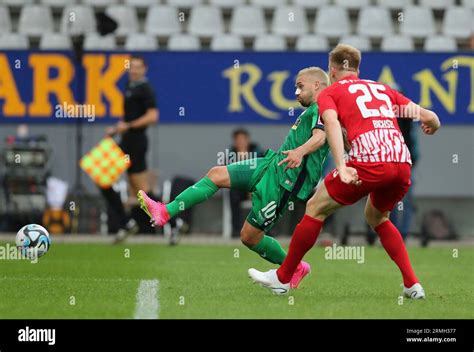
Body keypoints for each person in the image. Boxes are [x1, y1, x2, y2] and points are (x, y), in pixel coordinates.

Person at [249, 44, 440, 298]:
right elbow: (428, 116)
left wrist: (341, 166)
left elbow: (331, 126)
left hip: (369, 161)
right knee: (377, 217)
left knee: (315, 207)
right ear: (357, 68)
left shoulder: (332, 92)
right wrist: (432, 124)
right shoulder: (383, 89)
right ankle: (412, 284)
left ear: (332, 69)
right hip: (401, 163)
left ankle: (283, 278)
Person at [138, 67, 331, 289]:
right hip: (272, 164)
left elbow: (320, 137)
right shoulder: (313, 110)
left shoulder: (323, 107)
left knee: (249, 237)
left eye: (300, 86)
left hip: (285, 181)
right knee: (216, 174)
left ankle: (295, 267)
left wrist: (299, 152)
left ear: (317, 85)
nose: (296, 92)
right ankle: (164, 212)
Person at [102, 55, 159, 243]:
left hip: (136, 142)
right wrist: (117, 128)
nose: (133, 71)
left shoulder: (146, 89)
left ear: (145, 69)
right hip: (126, 141)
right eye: (131, 67)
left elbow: (152, 116)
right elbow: (128, 118)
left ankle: (171, 223)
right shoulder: (128, 86)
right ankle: (127, 222)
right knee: (106, 180)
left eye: (137, 67)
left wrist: (128, 126)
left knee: (141, 191)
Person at [228, 128, 264, 237]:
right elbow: (230, 173)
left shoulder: (257, 150)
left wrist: (252, 187)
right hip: (240, 188)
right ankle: (236, 230)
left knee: (265, 195)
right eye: (238, 140)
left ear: (248, 140)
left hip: (256, 186)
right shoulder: (231, 153)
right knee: (233, 194)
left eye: (243, 139)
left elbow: (262, 171)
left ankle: (264, 229)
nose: (241, 142)